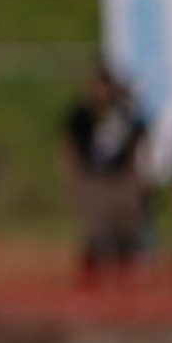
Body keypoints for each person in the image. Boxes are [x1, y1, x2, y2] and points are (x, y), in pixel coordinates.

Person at [62, 63, 148, 286]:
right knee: (93, 235)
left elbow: (140, 140)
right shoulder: (83, 114)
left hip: (119, 180)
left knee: (125, 235)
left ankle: (124, 285)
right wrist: (74, 178)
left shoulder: (123, 113)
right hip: (94, 180)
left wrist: (136, 176)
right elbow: (69, 145)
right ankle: (90, 286)